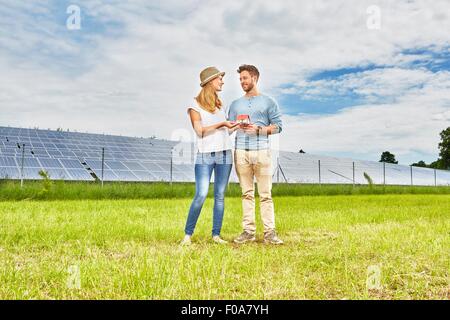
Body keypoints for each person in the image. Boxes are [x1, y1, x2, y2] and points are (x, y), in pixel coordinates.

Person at [181, 67, 240, 245]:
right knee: (201, 194)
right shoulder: (194, 105)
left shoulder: (220, 105)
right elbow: (199, 131)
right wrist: (222, 123)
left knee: (220, 195)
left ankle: (216, 235)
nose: (222, 81)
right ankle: (187, 235)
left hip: (225, 154)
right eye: (219, 78)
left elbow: (223, 134)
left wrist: (235, 127)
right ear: (210, 82)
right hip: (205, 156)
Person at [227, 64, 284, 245]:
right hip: (241, 152)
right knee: (246, 193)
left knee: (266, 194)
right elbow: (228, 128)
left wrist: (259, 130)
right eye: (240, 79)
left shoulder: (269, 102)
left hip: (262, 152)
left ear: (255, 78)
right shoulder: (235, 104)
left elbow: (278, 126)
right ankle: (248, 231)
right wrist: (237, 125)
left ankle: (270, 233)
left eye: (245, 78)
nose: (242, 82)